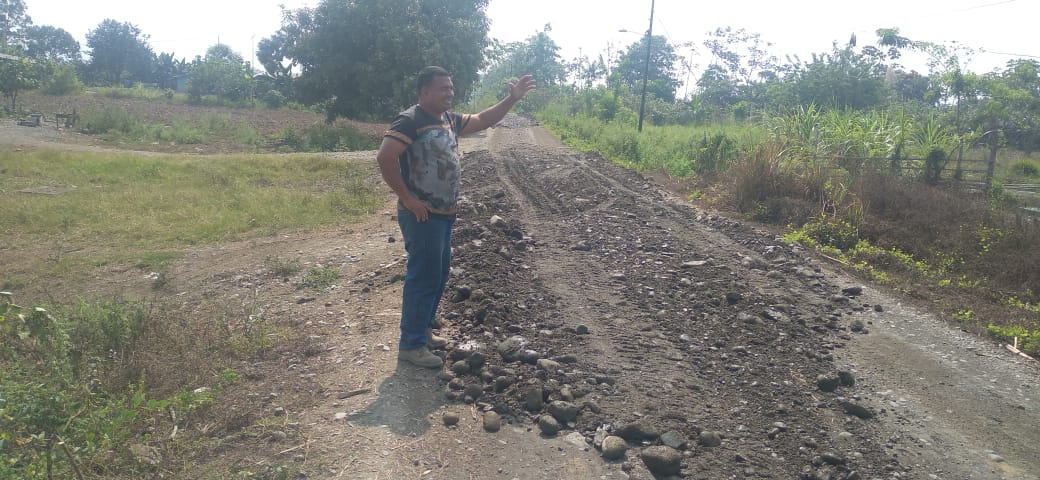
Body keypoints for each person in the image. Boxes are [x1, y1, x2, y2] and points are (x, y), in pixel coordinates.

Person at [376, 66, 536, 368]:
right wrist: (408, 199)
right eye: (443, 88)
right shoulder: (410, 120)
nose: (449, 93)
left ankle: (423, 332)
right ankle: (410, 345)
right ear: (425, 92)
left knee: (438, 275)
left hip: (444, 214)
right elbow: (385, 157)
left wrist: (512, 98)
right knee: (422, 277)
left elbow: (483, 119)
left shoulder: (448, 119)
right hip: (422, 215)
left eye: (450, 88)